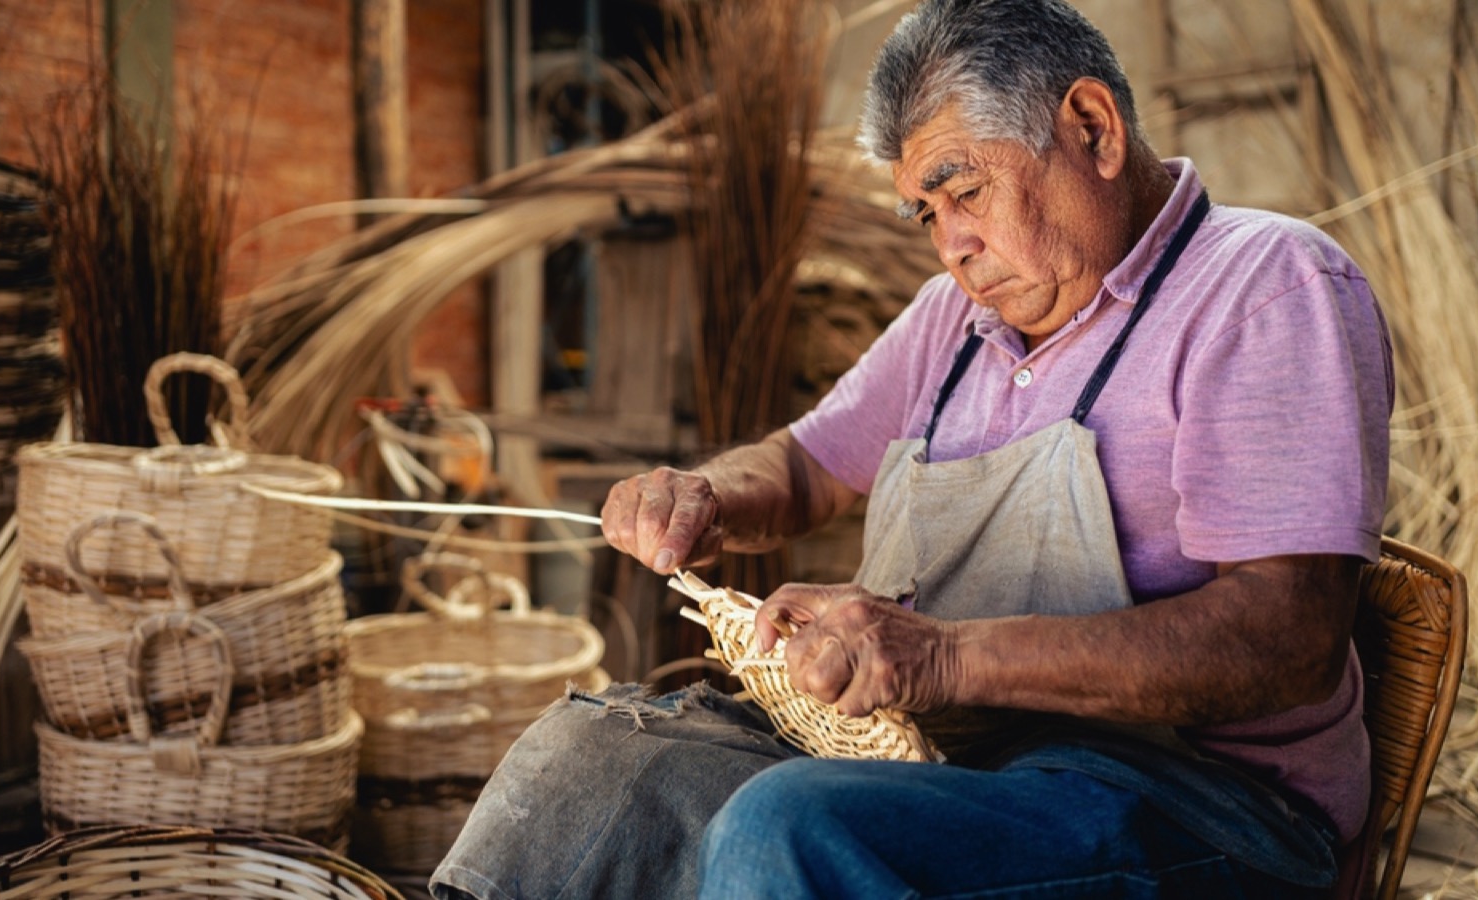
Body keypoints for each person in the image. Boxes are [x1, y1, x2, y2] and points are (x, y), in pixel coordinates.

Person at [431, 0, 1393, 897]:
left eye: (965, 190)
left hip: (1206, 801)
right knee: (589, 758)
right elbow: (807, 466)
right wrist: (708, 495)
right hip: (949, 756)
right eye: (927, 214)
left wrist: (943, 660)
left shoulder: (1266, 285)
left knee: (791, 830)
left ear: (1092, 128)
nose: (952, 246)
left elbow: (1288, 638)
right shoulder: (953, 319)